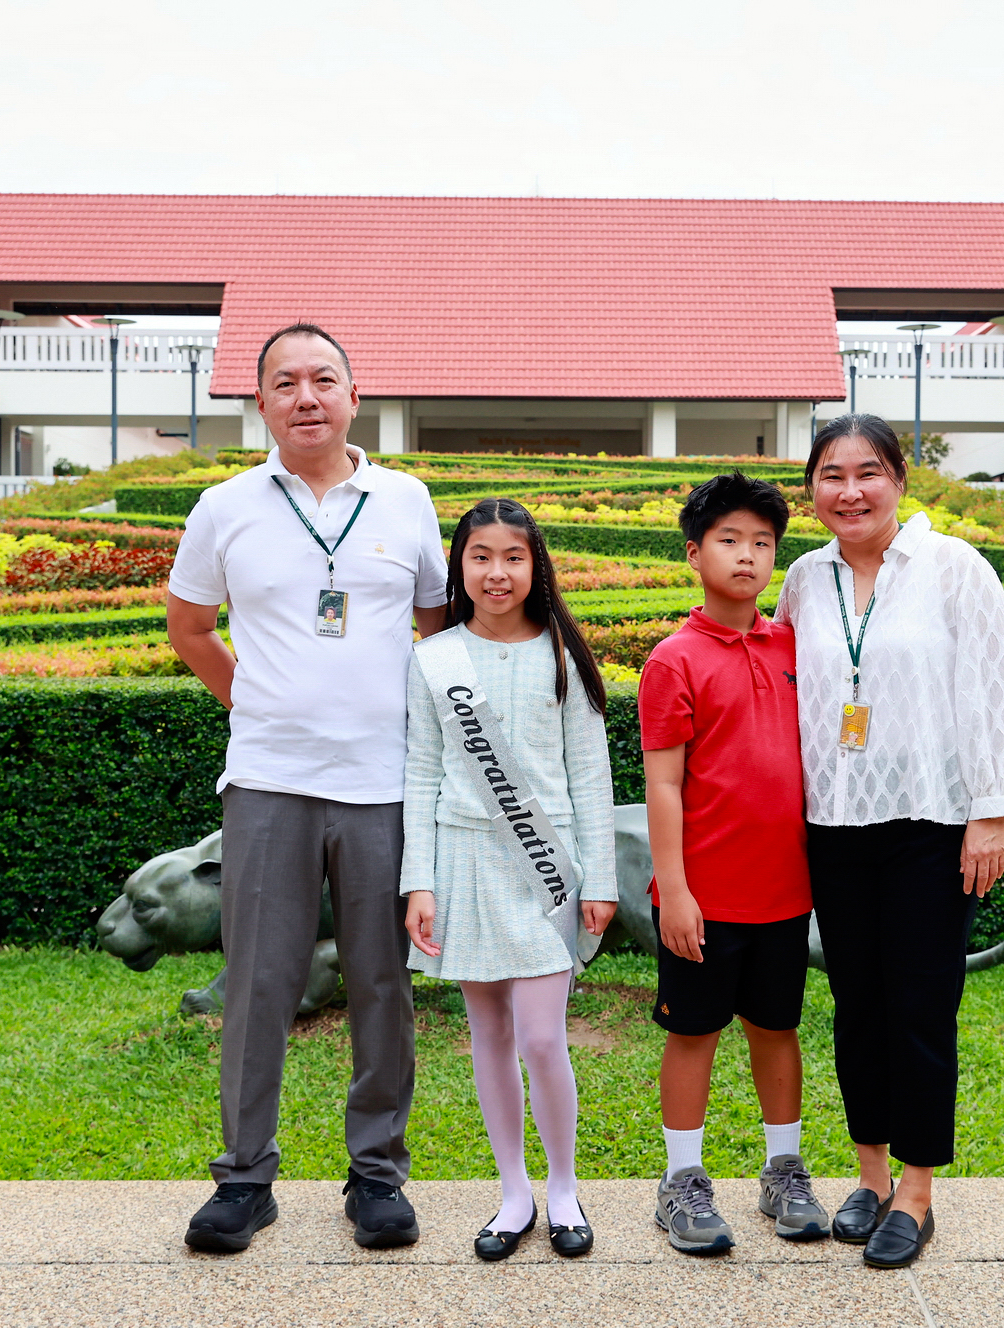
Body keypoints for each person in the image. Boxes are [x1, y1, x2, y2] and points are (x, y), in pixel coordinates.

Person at [166, 323, 449, 1254]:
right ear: (261, 404)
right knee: (258, 982)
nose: (306, 397)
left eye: (324, 379)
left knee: (380, 981)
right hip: (268, 780)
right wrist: (257, 700)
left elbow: (435, 629)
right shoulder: (225, 506)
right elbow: (192, 626)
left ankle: (377, 1175)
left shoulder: (406, 501)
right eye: (284, 382)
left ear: (354, 397)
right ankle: (244, 1179)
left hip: (381, 784)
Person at [773, 413, 1004, 1271]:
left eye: (868, 473)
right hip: (834, 822)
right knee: (857, 1006)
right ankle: (871, 1177)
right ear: (812, 490)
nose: (850, 491)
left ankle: (917, 1196)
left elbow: (996, 685)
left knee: (921, 1010)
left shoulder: (954, 568)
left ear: (899, 482)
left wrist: (989, 811)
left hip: (929, 820)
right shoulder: (804, 582)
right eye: (832, 476)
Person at [401, 497, 618, 1263]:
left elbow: (591, 775)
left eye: (514, 558)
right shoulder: (435, 659)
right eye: (481, 557)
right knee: (487, 1036)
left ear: (537, 566)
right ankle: (513, 1192)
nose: (498, 572)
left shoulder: (562, 652)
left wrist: (601, 880)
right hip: (463, 863)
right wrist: (417, 883)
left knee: (539, 1036)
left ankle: (564, 1188)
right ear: (459, 566)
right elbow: (421, 774)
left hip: (545, 872)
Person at [638, 473, 830, 1256]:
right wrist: (676, 891)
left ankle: (784, 1170)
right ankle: (681, 1182)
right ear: (694, 553)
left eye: (762, 543)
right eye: (728, 540)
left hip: (785, 894)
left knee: (777, 1029)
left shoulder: (795, 646)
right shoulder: (674, 660)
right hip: (702, 899)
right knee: (695, 1034)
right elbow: (663, 783)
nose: (747, 556)